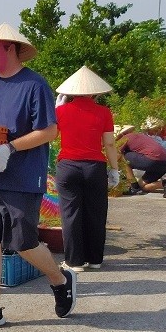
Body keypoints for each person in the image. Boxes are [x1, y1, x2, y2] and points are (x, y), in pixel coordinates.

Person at [0, 23, 77, 331]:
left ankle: (59, 279)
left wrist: (10, 148)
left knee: (24, 243)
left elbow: (50, 130)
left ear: (10, 48)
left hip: (23, 179)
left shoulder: (35, 85)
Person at [52, 66, 118, 272]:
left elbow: (52, 137)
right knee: (96, 213)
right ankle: (95, 259)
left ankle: (74, 261)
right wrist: (115, 169)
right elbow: (109, 144)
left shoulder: (60, 111)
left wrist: (56, 111)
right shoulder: (104, 112)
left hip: (68, 165)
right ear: (95, 91)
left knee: (70, 214)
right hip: (95, 167)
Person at [116, 125, 166, 194]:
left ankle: (133, 186)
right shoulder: (140, 136)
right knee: (142, 187)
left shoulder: (125, 138)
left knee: (123, 158)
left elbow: (116, 156)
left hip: (153, 160)